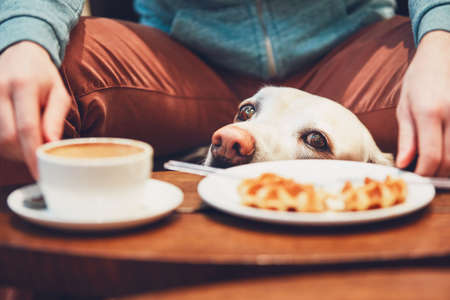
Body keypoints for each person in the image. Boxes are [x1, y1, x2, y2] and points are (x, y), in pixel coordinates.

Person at [0, 0, 449, 186]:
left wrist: (443, 37)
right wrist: (24, 37)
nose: (234, 135)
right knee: (29, 87)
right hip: (180, 63)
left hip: (353, 53)